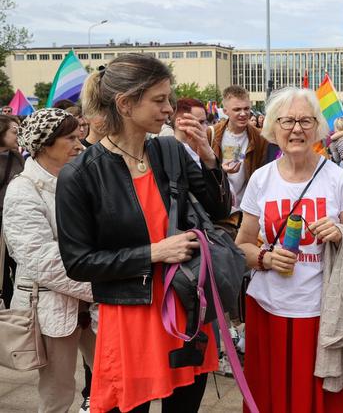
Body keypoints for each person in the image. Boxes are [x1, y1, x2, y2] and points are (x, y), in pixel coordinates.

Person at [55, 54, 231, 413]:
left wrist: (209, 160)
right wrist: (153, 252)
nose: (169, 109)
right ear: (125, 103)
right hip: (130, 317)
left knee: (184, 405)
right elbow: (78, 262)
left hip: (186, 303)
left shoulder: (170, 150)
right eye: (159, 99)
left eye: (169, 98)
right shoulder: (81, 174)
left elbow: (218, 211)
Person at [235, 87, 343, 413]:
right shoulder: (260, 180)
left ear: (318, 127)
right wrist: (265, 258)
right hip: (268, 310)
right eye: (288, 121)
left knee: (319, 401)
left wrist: (339, 233)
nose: (297, 129)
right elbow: (242, 246)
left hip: (322, 313)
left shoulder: (339, 180)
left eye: (306, 121)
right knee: (270, 398)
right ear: (273, 128)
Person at [4, 108, 95, 413]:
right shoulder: (22, 189)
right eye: (69, 137)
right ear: (44, 144)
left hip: (94, 304)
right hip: (54, 308)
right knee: (58, 395)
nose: (79, 144)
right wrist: (102, 286)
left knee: (114, 380)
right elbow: (42, 261)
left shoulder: (78, 180)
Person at [208, 85, 276, 238]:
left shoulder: (260, 138)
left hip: (247, 211)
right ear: (225, 111)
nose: (243, 114)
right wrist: (220, 171)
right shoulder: (211, 134)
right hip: (219, 211)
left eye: (246, 108)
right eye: (237, 109)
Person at [0, 114, 24, 308]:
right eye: (14, 131)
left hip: (15, 221)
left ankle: (13, 311)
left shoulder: (16, 156)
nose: (19, 135)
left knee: (17, 265)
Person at [172, 98, 208, 167]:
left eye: (205, 122)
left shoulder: (203, 147)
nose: (205, 127)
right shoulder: (170, 154)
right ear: (180, 122)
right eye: (200, 122)